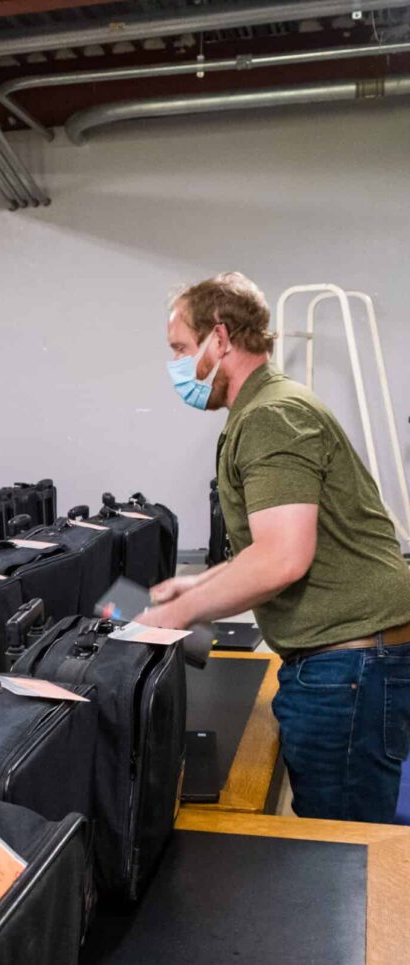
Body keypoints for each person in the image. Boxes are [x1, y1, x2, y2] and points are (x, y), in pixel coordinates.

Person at [139, 271, 410, 823]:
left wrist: (178, 614)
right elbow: (270, 545)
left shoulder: (270, 416)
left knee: (341, 849)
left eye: (180, 349)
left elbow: (284, 558)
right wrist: (200, 584)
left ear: (219, 339)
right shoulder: (267, 408)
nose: (175, 367)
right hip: (352, 656)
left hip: (348, 664)